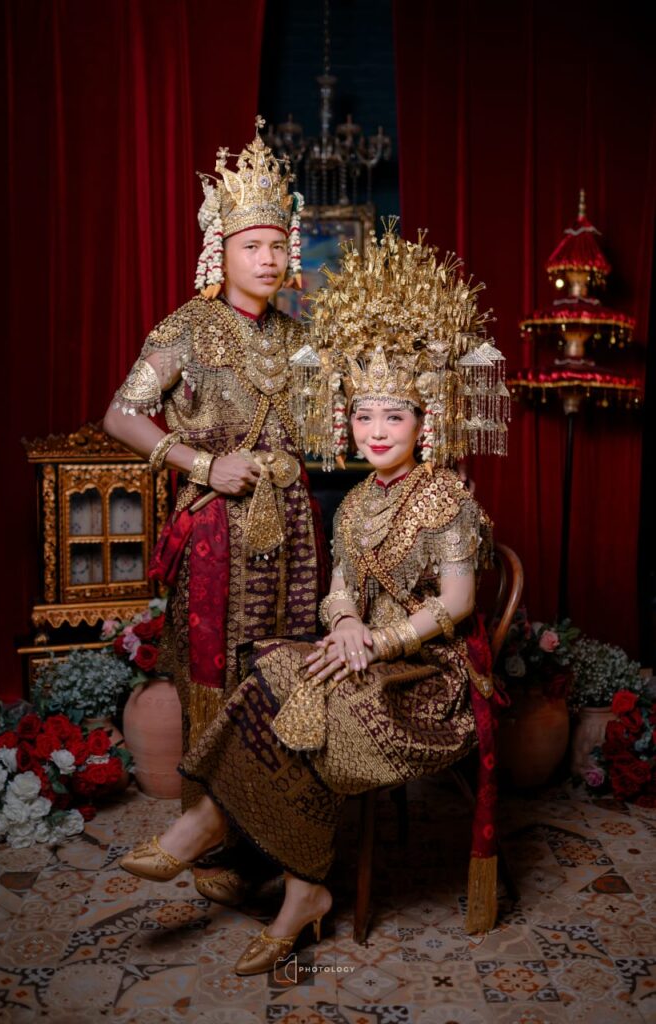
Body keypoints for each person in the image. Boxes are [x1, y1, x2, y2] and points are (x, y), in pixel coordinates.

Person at [119, 225, 510, 975]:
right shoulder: (358, 502)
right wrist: (347, 621)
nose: (375, 431)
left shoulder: (445, 498)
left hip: (425, 675)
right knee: (271, 669)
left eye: (394, 416)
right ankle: (256, 856)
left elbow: (458, 602)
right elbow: (340, 587)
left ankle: (249, 853)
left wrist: (374, 638)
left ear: (424, 422)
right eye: (362, 416)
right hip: (347, 636)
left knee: (309, 702)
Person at [103, 117, 329, 899]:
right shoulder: (186, 328)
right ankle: (212, 847)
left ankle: (276, 845)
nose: (267, 259)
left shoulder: (300, 338)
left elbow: (331, 430)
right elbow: (121, 415)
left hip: (291, 531)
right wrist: (201, 463)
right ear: (220, 251)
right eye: (251, 245)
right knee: (215, 677)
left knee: (280, 674)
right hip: (214, 533)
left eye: (277, 245)